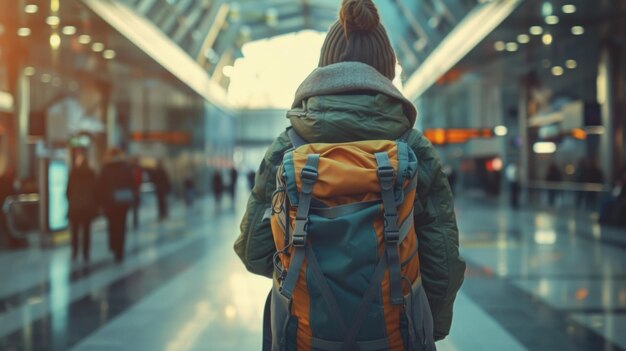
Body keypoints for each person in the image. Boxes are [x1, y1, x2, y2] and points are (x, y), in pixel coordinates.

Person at [235, 0, 465, 347]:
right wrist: (427, 329)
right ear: (387, 69)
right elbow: (442, 262)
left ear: (324, 65)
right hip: (395, 336)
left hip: (305, 338)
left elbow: (254, 250)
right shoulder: (413, 148)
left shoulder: (288, 147)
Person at [98, 148, 135, 263]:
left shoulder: (106, 168)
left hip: (110, 202)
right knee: (122, 225)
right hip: (123, 201)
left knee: (112, 225)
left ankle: (113, 246)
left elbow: (100, 186)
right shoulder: (126, 167)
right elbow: (132, 183)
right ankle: (120, 249)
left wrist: (101, 202)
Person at [66, 153, 98, 262]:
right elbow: (96, 191)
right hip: (87, 207)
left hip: (75, 207)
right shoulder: (92, 173)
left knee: (74, 231)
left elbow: (68, 190)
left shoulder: (73, 173)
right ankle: (86, 253)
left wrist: (71, 201)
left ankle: (74, 252)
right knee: (86, 231)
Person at [130, 158, 143, 230]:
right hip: (133, 190)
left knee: (135, 208)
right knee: (134, 207)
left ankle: (135, 222)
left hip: (135, 190)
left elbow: (139, 180)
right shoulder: (130, 169)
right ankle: (135, 222)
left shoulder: (137, 170)